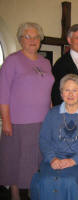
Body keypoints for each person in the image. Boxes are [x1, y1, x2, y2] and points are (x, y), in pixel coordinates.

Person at [0, 22, 54, 200]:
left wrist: (52, 113)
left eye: (36, 37)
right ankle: (15, 194)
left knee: (37, 162)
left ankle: (34, 193)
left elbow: (49, 91)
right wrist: (6, 120)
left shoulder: (46, 62)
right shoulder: (12, 60)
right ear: (21, 40)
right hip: (19, 122)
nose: (33, 40)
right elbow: (3, 92)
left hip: (43, 121)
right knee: (16, 160)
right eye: (28, 36)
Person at [30, 74, 78, 200]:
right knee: (46, 180)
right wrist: (52, 159)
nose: (70, 94)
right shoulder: (53, 113)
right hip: (54, 159)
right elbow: (44, 140)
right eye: (66, 90)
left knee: (69, 181)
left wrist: (73, 161)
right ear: (61, 94)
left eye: (74, 90)